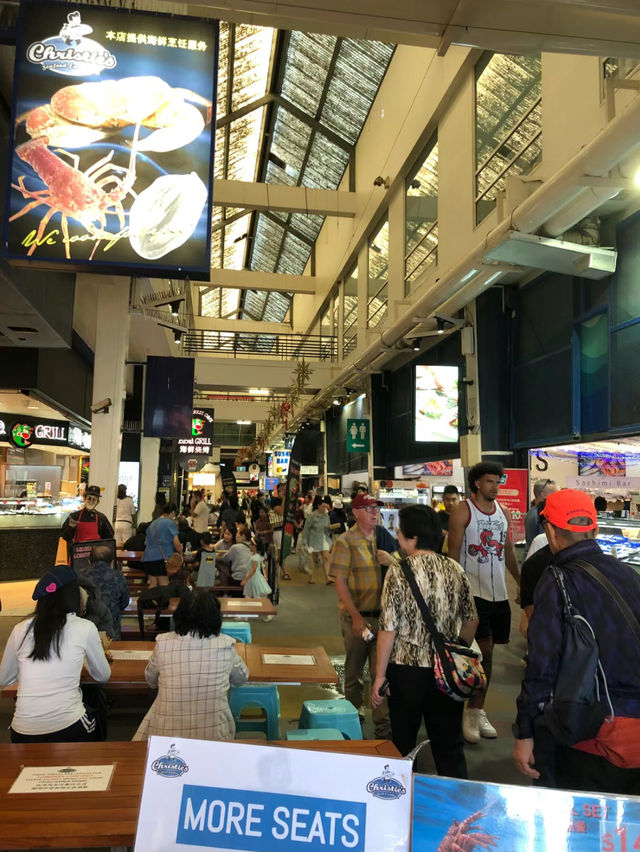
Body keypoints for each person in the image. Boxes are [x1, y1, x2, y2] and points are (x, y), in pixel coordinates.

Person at [513, 489, 640, 794]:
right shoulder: (629, 575)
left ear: (550, 533)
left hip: (590, 731)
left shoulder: (557, 580)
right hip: (633, 730)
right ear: (594, 529)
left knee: (579, 824)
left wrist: (525, 731)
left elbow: (542, 664)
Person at [372, 505, 478, 776]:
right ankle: (453, 807)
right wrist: (455, 651)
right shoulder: (455, 568)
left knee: (404, 742)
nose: (397, 537)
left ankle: (400, 802)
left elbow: (388, 629)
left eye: (400, 532)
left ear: (414, 538)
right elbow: (471, 620)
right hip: (447, 673)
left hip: (406, 671)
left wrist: (379, 676)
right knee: (449, 745)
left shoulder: (398, 570)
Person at [448, 461, 520, 744]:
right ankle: (466, 711)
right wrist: (455, 593)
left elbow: (508, 550)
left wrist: (521, 582)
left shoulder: (504, 512)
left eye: (497, 481)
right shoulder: (463, 511)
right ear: (477, 483)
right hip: (472, 595)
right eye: (490, 481)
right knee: (477, 653)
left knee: (489, 656)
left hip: (498, 594)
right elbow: (452, 554)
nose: (495, 486)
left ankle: (476, 710)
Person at [0, 565, 111, 742]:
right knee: (97, 714)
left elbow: (4, 679)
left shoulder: (20, 629)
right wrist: (82, 661)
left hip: (21, 731)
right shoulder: (84, 627)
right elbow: (103, 676)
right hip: (68, 727)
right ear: (74, 595)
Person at [133, 590, 249, 741]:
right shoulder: (226, 645)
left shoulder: (163, 643)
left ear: (180, 614)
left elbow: (151, 680)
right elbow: (242, 678)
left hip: (167, 735)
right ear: (215, 616)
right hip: (215, 735)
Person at [329, 492, 392, 739]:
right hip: (358, 619)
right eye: (368, 508)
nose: (375, 512)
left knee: (380, 674)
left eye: (376, 508)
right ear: (356, 512)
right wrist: (355, 617)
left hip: (385, 619)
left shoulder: (384, 539)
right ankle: (352, 719)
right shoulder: (345, 542)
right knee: (354, 672)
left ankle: (383, 728)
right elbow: (340, 583)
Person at [78, 544, 129, 640]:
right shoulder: (118, 577)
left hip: (84, 634)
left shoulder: (79, 576)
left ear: (89, 561)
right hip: (111, 634)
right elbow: (124, 603)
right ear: (112, 562)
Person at [60, 484, 114, 555]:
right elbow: (65, 537)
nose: (91, 501)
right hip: (77, 556)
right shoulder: (74, 516)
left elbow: (109, 538)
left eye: (94, 499)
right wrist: (71, 527)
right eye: (89, 498)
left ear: (98, 502)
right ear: (84, 499)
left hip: (96, 557)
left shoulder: (102, 518)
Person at [143, 503, 183, 588]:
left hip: (148, 557)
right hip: (162, 558)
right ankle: (163, 601)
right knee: (164, 584)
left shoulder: (152, 524)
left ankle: (150, 600)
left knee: (153, 584)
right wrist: (180, 552)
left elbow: (146, 543)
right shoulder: (169, 523)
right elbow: (177, 544)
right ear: (172, 512)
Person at [301, 497, 332, 584]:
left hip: (323, 538)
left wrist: (331, 529)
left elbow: (327, 527)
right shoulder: (312, 516)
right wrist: (304, 540)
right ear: (318, 506)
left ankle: (328, 577)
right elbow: (306, 529)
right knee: (313, 560)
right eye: (322, 507)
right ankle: (311, 577)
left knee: (326, 557)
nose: (324, 509)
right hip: (313, 539)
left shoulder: (326, 516)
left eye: (325, 507)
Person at [524, 478, 557, 553]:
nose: (557, 496)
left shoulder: (535, 512)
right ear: (542, 494)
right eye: (554, 493)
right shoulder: (536, 515)